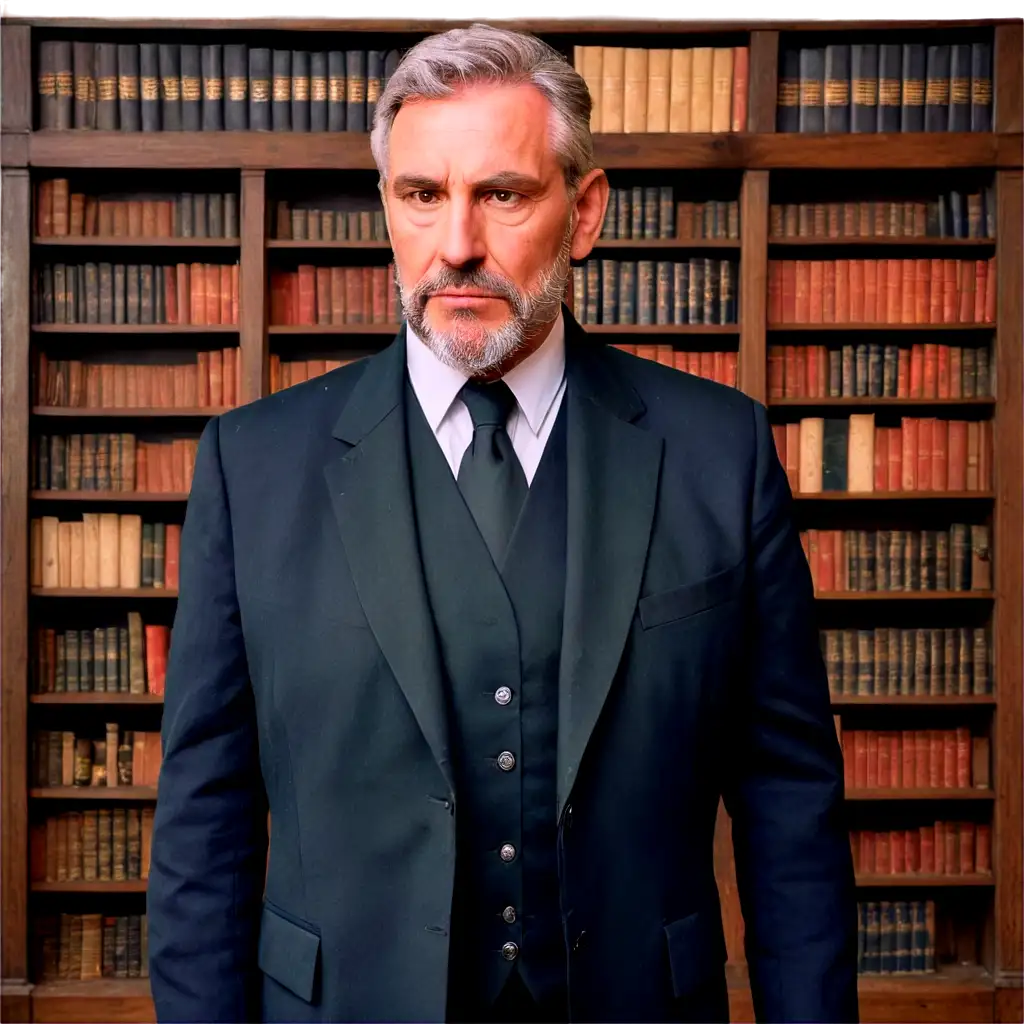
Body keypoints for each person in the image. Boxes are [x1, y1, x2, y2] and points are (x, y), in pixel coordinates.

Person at [147, 23, 858, 1024]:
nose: (457, 245)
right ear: (387, 206)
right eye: (421, 194)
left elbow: (790, 809)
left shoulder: (719, 453)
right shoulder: (253, 465)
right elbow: (203, 821)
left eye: (503, 194)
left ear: (585, 210)